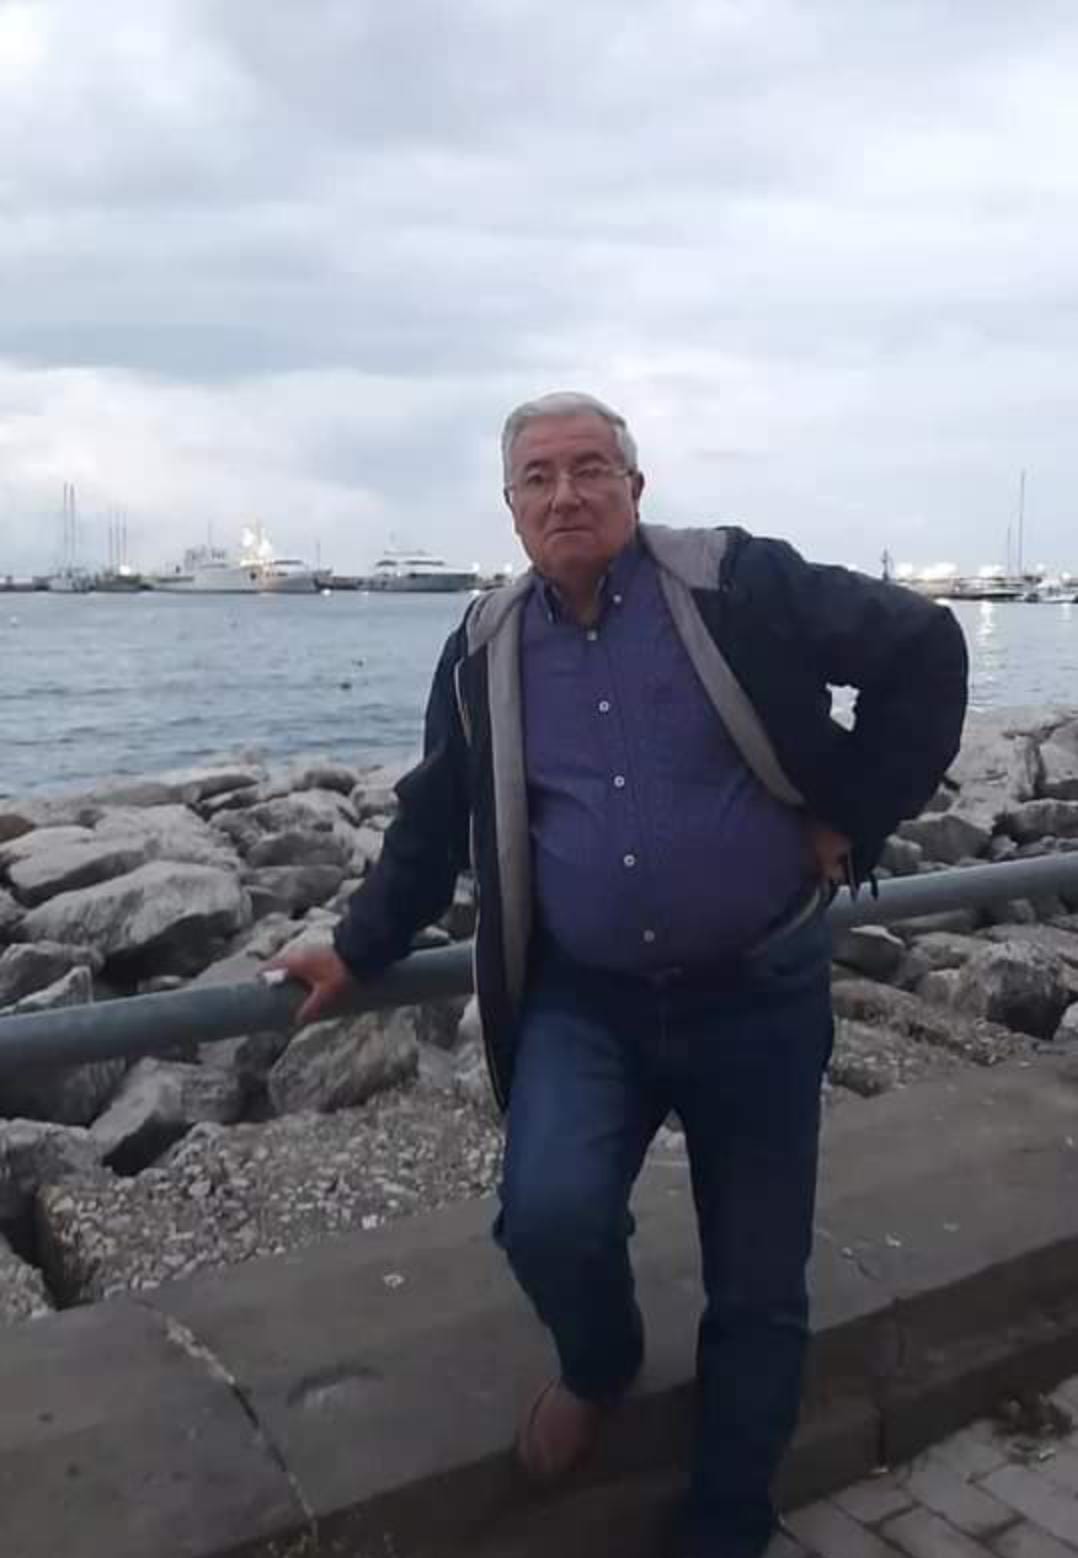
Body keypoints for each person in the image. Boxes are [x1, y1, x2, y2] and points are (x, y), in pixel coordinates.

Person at [273, 391, 969, 1557]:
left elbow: (924, 647)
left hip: (758, 991)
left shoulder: (735, 581)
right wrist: (357, 946)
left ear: (635, 489)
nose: (566, 495)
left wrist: (852, 809)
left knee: (758, 1286)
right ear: (510, 508)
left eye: (591, 468)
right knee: (546, 1219)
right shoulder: (484, 645)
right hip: (584, 1004)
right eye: (538, 477)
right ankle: (600, 1363)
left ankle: (726, 1522)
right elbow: (435, 816)